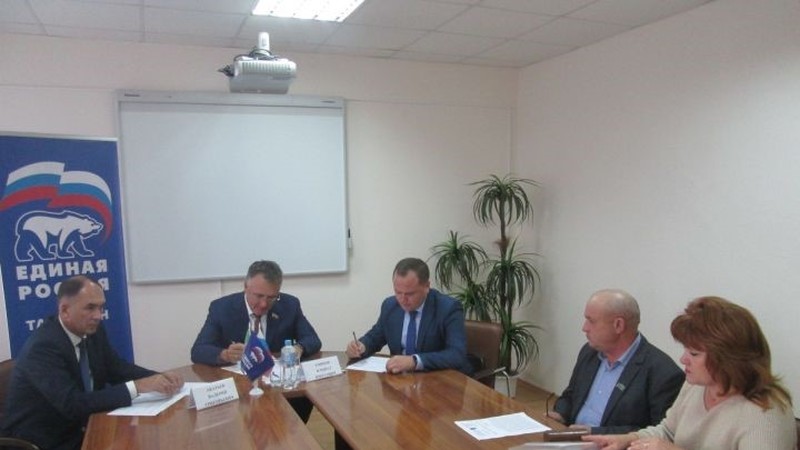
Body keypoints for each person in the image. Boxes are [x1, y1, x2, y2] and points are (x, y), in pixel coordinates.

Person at [585, 296, 797, 449]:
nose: (683, 360)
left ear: (729, 358)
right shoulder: (696, 385)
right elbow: (667, 431)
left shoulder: (765, 413)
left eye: (694, 354)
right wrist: (629, 439)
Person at [0, 276, 183, 450]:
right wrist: (138, 386)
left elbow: (116, 368)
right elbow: (73, 404)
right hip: (47, 440)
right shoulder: (43, 347)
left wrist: (158, 377)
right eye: (90, 308)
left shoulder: (92, 330)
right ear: (65, 310)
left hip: (84, 427)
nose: (98, 315)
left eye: (101, 307)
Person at [190, 260, 321, 422]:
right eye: (259, 296)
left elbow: (312, 339)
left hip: (276, 387)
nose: (264, 304)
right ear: (245, 287)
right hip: (239, 389)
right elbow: (198, 350)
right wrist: (225, 354)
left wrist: (299, 348)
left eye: (271, 297)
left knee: (303, 397)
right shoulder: (221, 308)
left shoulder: (289, 305)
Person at [549, 289, 684, 434]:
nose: (584, 328)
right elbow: (570, 395)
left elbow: (659, 433)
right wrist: (561, 414)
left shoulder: (663, 373)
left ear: (618, 325)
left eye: (591, 321)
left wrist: (595, 432)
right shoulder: (589, 352)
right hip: (570, 437)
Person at [346, 257, 472, 375]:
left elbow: (456, 354)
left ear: (427, 286)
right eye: (398, 292)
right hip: (400, 380)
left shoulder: (447, 308)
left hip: (438, 379)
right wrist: (361, 346)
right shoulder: (390, 305)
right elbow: (375, 337)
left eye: (410, 294)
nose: (402, 299)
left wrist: (415, 361)